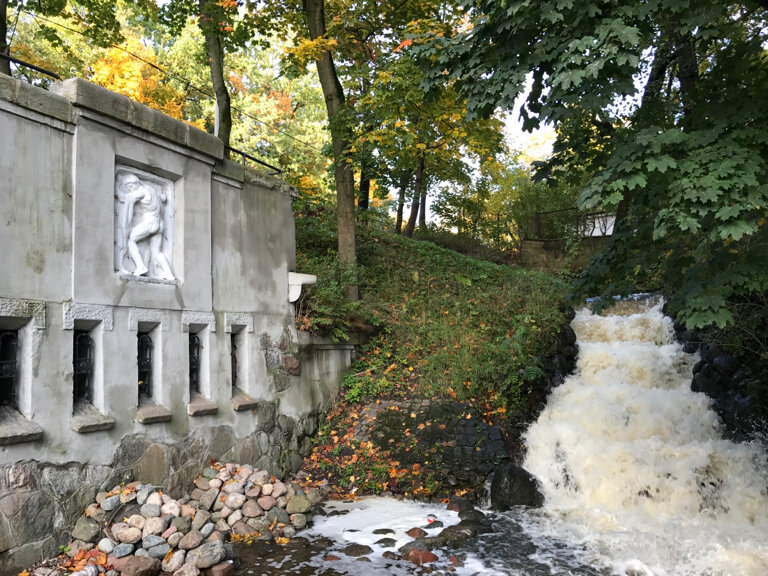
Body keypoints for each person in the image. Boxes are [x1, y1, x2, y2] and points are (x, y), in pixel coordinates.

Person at [115, 172, 175, 280]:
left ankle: (141, 267)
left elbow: (124, 197)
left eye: (130, 186)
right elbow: (162, 197)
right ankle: (169, 275)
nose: (129, 189)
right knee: (156, 253)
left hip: (151, 223)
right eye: (128, 187)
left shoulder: (141, 192)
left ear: (136, 183)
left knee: (131, 239)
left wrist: (118, 187)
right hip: (160, 225)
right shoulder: (151, 189)